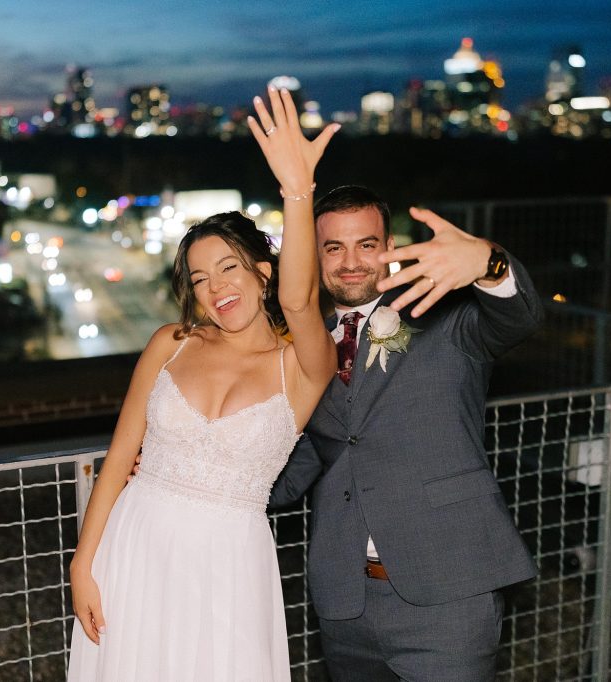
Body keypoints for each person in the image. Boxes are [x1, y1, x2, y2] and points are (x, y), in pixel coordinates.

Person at [66, 86, 338, 681]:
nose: (216, 288)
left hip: (227, 566)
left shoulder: (303, 366)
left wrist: (297, 191)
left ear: (262, 274)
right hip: (134, 546)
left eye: (229, 268)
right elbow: (118, 458)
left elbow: (303, 298)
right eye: (200, 278)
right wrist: (83, 564)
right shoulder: (172, 343)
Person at [268, 186, 544, 680]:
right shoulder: (306, 351)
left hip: (449, 597)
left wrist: (488, 261)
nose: (350, 262)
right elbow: (298, 468)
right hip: (345, 605)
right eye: (334, 247)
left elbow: (519, 318)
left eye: (366, 244)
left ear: (390, 247)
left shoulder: (446, 316)